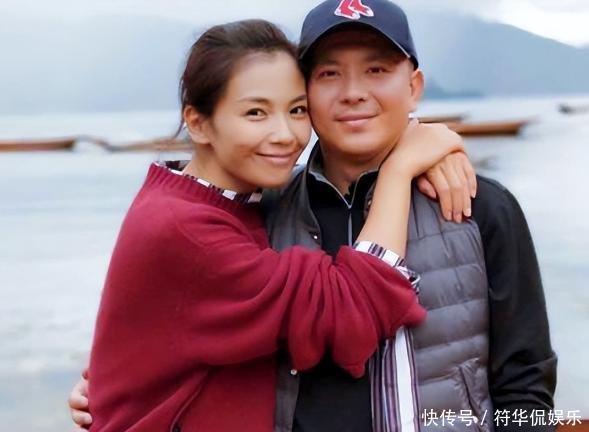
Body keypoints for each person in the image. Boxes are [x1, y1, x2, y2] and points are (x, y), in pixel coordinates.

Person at [73, 1, 555, 431]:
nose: (353, 92)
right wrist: (111, 386)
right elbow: (189, 326)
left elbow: (526, 385)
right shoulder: (266, 211)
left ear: (414, 87)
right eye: (328, 74)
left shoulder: (478, 206)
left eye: (376, 70)